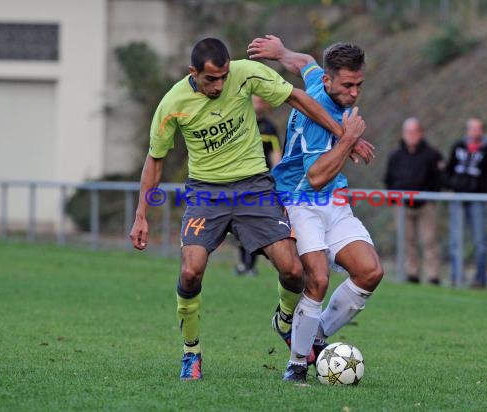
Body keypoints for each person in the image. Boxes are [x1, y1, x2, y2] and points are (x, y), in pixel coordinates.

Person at [128, 38, 374, 381]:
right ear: (193, 73)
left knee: (293, 270)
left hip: (253, 188)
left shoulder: (245, 75)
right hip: (206, 193)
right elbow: (155, 160)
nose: (219, 85)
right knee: (190, 272)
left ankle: (286, 321)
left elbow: (297, 96)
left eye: (224, 76)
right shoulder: (172, 103)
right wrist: (141, 213)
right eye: (211, 79)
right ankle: (191, 352)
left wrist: (346, 136)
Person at [248, 35, 383, 382]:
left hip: (335, 203)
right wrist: (349, 138)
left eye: (359, 85)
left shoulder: (318, 80)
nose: (354, 93)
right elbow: (316, 176)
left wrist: (282, 53)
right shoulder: (314, 119)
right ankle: (296, 365)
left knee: (370, 272)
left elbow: (305, 62)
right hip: (300, 200)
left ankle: (314, 335)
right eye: (348, 85)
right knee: (318, 279)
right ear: (329, 81)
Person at [384, 117, 444, 285]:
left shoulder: (432, 155)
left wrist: (431, 197)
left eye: (414, 132)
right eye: (407, 132)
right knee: (407, 241)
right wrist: (394, 199)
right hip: (402, 206)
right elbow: (388, 180)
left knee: (429, 240)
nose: (410, 135)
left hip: (425, 205)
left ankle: (433, 275)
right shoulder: (395, 156)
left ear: (420, 133)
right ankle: (412, 274)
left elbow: (439, 179)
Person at [445, 118, 487, 288]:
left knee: (480, 242)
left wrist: (479, 188)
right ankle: (456, 277)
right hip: (458, 199)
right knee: (456, 240)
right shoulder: (458, 147)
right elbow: (447, 171)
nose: (474, 132)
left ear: (482, 131)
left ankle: (480, 279)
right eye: (471, 129)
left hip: (477, 200)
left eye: (477, 129)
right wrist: (455, 184)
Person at [234, 96, 282, 276]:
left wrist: (276, 177)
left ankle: (249, 266)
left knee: (253, 224)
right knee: (239, 224)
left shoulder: (269, 128)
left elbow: (275, 154)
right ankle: (243, 264)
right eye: (255, 100)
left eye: (261, 101)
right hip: (239, 181)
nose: (258, 103)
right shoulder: (239, 122)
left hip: (260, 183)